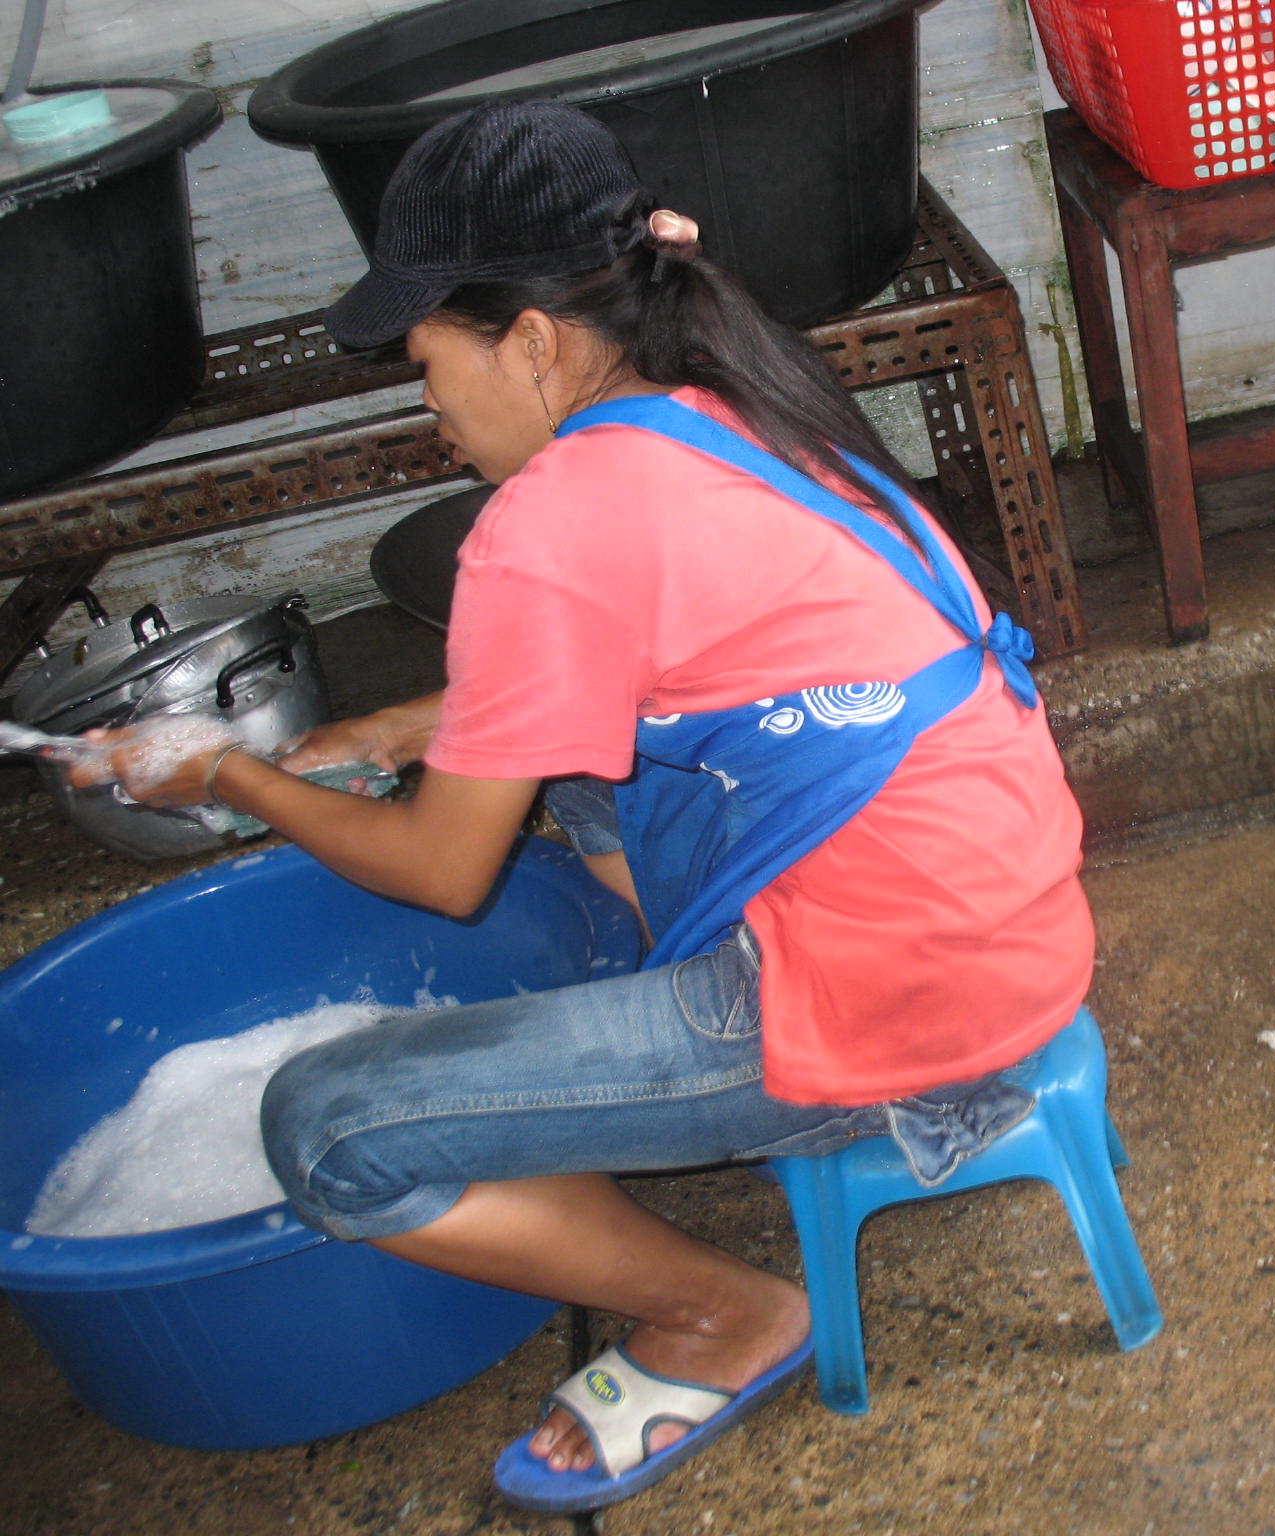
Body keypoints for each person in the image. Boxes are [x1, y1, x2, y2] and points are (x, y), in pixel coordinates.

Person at [77, 100, 1093, 1515]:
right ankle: (653, 1016)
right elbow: (657, 661)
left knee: (327, 1127)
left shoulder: (548, 526)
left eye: (426, 362)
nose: (423, 406)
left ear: (534, 341)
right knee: (559, 753)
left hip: (894, 1011)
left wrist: (224, 771)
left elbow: (439, 871)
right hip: (999, 915)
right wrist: (393, 726)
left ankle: (720, 1313)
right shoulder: (730, 401)